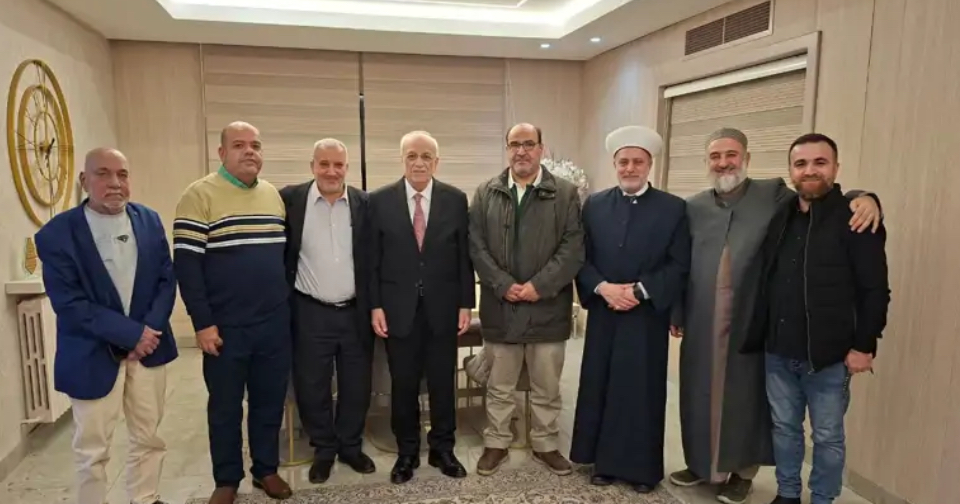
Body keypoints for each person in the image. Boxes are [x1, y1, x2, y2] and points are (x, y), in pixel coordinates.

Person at [669, 128, 883, 504]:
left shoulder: (772, 195)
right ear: (706, 162)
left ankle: (745, 473)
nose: (724, 163)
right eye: (715, 156)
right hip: (710, 323)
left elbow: (820, 193)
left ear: (747, 158)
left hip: (753, 324)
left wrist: (866, 198)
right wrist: (678, 311)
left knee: (754, 404)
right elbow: (680, 263)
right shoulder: (694, 207)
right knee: (701, 394)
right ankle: (704, 465)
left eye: (732, 155)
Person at [742, 133, 890, 504]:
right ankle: (788, 494)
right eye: (801, 164)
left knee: (827, 437)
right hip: (778, 351)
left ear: (835, 168)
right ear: (791, 170)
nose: (810, 171)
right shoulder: (781, 215)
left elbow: (875, 290)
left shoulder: (856, 218)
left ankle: (823, 498)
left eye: (820, 162)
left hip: (829, 356)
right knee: (784, 429)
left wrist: (864, 345)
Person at [34, 147, 178, 504]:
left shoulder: (148, 220)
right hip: (91, 353)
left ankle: (144, 497)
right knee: (92, 449)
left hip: (148, 350)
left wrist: (148, 332)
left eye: (122, 174)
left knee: (149, 437)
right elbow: (69, 303)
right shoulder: (57, 234)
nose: (115, 183)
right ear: (84, 180)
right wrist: (132, 334)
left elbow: (166, 279)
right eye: (103, 173)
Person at [173, 121, 292, 504]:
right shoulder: (198, 195)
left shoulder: (273, 196)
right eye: (239, 145)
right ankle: (226, 479)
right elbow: (187, 267)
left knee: (268, 403)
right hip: (225, 328)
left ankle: (266, 470)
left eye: (255, 145)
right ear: (222, 153)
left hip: (273, 324)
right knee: (225, 408)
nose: (250, 151)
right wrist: (203, 323)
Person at [569, 125, 690, 493]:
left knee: (641, 391)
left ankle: (641, 470)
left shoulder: (673, 208)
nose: (630, 168)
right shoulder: (595, 205)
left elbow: (679, 263)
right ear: (615, 164)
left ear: (649, 165)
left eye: (638, 161)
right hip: (605, 311)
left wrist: (640, 291)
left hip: (645, 316)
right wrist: (603, 288)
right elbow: (580, 256)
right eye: (623, 162)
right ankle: (602, 463)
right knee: (601, 385)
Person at [469, 123, 584, 477]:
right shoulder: (486, 192)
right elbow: (476, 245)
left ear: (541, 149)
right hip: (501, 307)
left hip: (547, 308)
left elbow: (573, 248)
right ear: (507, 149)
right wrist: (502, 283)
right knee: (500, 386)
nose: (521, 151)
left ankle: (546, 444)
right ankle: (497, 443)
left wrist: (539, 286)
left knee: (546, 388)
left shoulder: (565, 194)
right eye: (514, 144)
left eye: (529, 144)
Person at [367, 130, 474, 484]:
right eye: (412, 155)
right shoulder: (379, 201)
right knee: (404, 385)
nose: (419, 162)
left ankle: (443, 448)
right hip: (398, 310)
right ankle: (407, 452)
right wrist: (375, 305)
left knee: (443, 383)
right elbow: (372, 260)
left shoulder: (455, 199)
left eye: (426, 156)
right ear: (401, 159)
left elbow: (463, 257)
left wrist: (466, 303)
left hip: (443, 309)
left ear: (436, 162)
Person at [279, 138, 375, 484]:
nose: (331, 171)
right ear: (312, 166)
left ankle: (350, 446)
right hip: (309, 310)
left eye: (338, 165)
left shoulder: (365, 203)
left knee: (356, 384)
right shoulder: (290, 200)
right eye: (324, 164)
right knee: (312, 384)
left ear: (347, 168)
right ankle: (323, 448)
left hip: (355, 311)